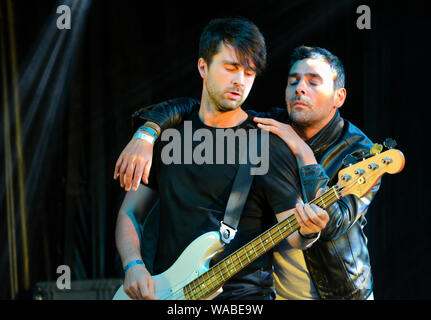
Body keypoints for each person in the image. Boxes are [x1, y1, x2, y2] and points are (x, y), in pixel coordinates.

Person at [114, 45, 379, 300]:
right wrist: (147, 133)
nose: (300, 88)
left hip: (337, 292)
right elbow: (196, 108)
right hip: (279, 289)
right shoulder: (271, 127)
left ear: (339, 97)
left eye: (313, 82)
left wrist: (303, 152)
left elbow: (333, 224)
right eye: (293, 81)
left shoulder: (363, 153)